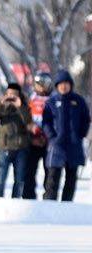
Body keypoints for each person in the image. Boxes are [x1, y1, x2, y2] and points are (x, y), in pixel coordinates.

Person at [42, 70, 90, 202]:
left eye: (67, 84)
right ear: (57, 86)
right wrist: (52, 136)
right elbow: (46, 122)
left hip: (74, 146)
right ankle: (49, 205)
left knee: (71, 180)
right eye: (61, 84)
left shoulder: (78, 101)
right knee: (52, 180)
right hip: (56, 146)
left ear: (71, 85)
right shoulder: (51, 102)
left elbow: (86, 119)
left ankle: (66, 206)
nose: (64, 86)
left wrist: (81, 134)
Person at [0, 83, 32, 198]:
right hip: (5, 146)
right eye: (9, 94)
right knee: (1, 179)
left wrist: (20, 106)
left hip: (21, 147)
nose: (11, 97)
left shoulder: (24, 106)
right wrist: (0, 104)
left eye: (14, 95)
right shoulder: (3, 106)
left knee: (19, 179)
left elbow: (28, 121)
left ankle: (16, 201)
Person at [23, 71, 52, 200]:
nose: (41, 86)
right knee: (30, 171)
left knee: (49, 172)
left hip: (48, 141)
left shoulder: (53, 99)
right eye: (38, 84)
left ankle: (49, 197)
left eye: (44, 83)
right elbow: (24, 118)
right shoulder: (30, 99)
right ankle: (29, 196)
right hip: (32, 140)